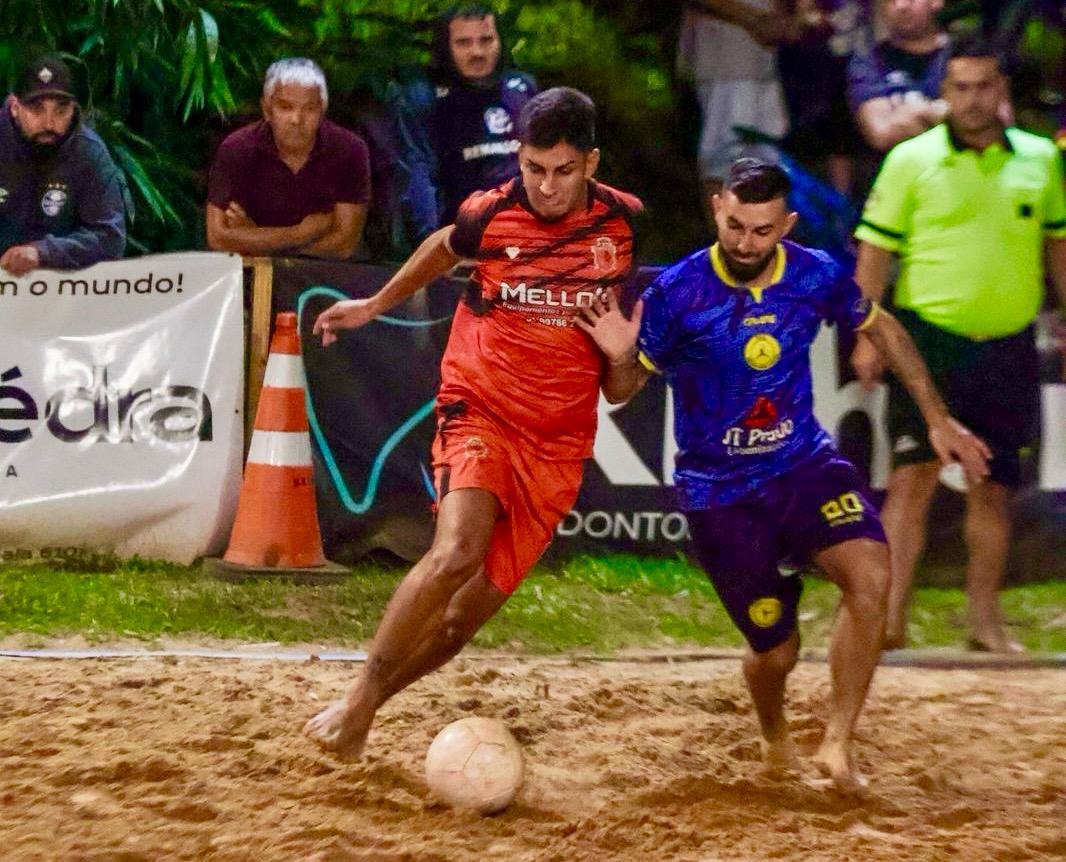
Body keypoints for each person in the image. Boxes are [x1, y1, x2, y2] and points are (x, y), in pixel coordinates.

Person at [578, 158, 990, 793]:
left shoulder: (814, 273)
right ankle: (774, 736)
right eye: (736, 226)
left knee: (872, 575)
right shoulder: (678, 292)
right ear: (718, 208)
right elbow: (622, 391)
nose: (745, 243)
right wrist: (620, 353)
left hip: (802, 465)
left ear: (786, 224)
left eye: (762, 231)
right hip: (720, 492)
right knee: (777, 651)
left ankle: (837, 744)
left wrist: (936, 417)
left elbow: (882, 325)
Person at [303, 87, 643, 758]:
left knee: (459, 626)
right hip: (479, 405)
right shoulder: (490, 215)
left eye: (563, 171)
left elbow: (623, 386)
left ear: (592, 163)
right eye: (533, 168)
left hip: (558, 445)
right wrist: (373, 304)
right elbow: (442, 245)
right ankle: (358, 707)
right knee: (456, 552)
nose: (546, 187)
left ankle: (365, 703)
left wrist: (625, 355)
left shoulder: (624, 226)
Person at [852, 38, 1066, 653]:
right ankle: (884, 624)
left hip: (1007, 345)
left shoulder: (1040, 161)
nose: (973, 100)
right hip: (927, 344)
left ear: (1001, 92)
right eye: (961, 87)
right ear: (944, 93)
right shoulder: (910, 160)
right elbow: (875, 251)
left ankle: (984, 625)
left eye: (984, 87)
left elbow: (1057, 243)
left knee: (993, 489)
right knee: (911, 482)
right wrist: (868, 337)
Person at [394, 4, 537, 245]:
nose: (477, 52)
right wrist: (433, 241)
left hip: (526, 236)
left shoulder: (523, 90)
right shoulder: (424, 96)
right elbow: (418, 171)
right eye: (463, 43)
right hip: (459, 239)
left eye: (486, 40)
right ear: (445, 46)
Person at [206, 58, 371, 260]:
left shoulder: (349, 150)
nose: (296, 120)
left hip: (328, 276)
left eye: (309, 108)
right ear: (267, 110)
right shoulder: (237, 149)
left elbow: (344, 245)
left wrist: (256, 239)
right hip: (251, 274)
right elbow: (218, 238)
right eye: (285, 107)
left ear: (323, 110)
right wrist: (302, 233)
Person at [0, 54, 127, 275]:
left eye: (60, 111)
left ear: (73, 109)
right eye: (37, 110)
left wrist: (43, 252)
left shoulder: (89, 151)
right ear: (14, 107)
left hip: (62, 291)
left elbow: (110, 236)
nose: (49, 123)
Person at [678, 0, 797, 232]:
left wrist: (784, 18)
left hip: (765, 60)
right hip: (724, 57)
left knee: (768, 158)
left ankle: (762, 247)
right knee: (722, 156)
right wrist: (752, 19)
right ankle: (723, 249)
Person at [846, 0, 950, 152]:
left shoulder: (964, 55)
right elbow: (882, 133)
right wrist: (939, 112)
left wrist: (909, 114)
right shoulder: (868, 62)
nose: (901, 5)